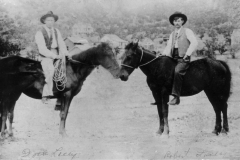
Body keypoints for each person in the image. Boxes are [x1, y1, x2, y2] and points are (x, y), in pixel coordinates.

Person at [162, 11, 198, 105]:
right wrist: (163, 55)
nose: (176, 23)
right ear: (173, 23)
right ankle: (162, 94)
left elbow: (194, 42)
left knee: (177, 71)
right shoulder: (172, 34)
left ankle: (176, 97)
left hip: (183, 58)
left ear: (182, 22)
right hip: (173, 58)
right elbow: (169, 46)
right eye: (175, 21)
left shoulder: (187, 31)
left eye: (178, 21)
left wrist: (187, 54)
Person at [35, 11, 68, 104]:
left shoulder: (56, 31)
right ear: (44, 21)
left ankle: (61, 95)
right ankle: (45, 95)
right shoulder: (40, 32)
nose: (50, 22)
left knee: (66, 69)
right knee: (50, 71)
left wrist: (65, 53)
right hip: (45, 56)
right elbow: (42, 49)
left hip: (57, 53)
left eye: (52, 20)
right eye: (48, 20)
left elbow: (61, 43)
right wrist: (54, 56)